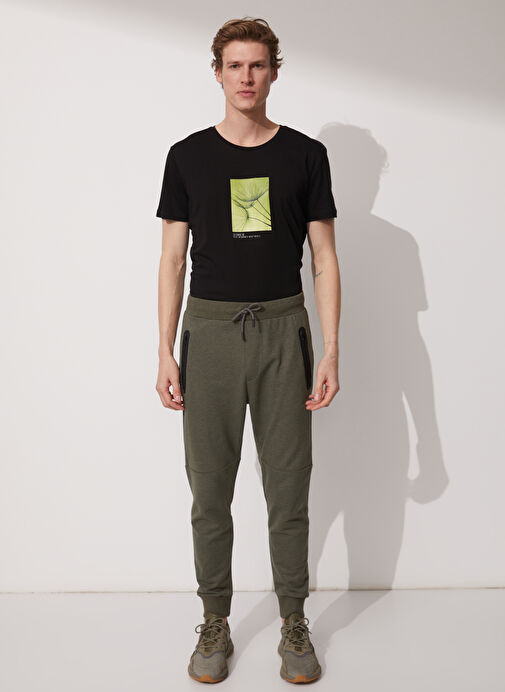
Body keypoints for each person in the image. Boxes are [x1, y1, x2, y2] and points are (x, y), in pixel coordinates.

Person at [155, 16, 341, 684]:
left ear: (274, 72)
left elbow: (324, 259)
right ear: (217, 73)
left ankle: (293, 621)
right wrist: (164, 350)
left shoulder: (304, 155)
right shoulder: (187, 156)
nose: (246, 77)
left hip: (283, 330)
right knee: (209, 489)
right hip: (207, 333)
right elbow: (172, 259)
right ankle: (214, 620)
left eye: (257, 65)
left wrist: (329, 350)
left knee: (289, 487)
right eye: (234, 65)